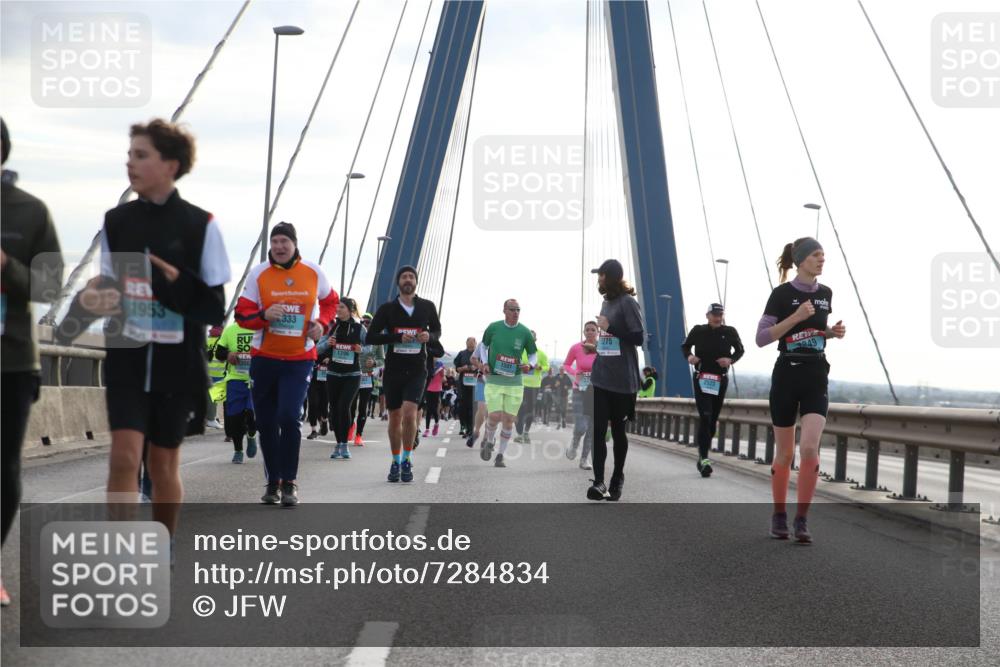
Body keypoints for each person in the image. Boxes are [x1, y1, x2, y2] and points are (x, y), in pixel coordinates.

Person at [58, 118, 230, 535]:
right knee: (123, 455)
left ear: (170, 164)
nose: (130, 164)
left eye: (140, 155)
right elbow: (108, 287)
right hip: (128, 358)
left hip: (177, 363)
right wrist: (90, 303)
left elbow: (213, 308)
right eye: (129, 155)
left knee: (161, 462)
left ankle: (163, 541)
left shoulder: (200, 224)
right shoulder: (118, 222)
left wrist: (172, 279)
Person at [1, 118, 64, 606]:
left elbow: (48, 287)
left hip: (11, 363)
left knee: (3, 471)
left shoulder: (29, 212)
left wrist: (7, 267)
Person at [235, 221, 337, 505]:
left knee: (289, 417)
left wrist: (323, 324)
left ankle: (289, 482)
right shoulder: (259, 274)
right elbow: (241, 315)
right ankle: (272, 482)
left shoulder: (313, 272)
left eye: (285, 242)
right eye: (275, 241)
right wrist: (264, 315)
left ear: (294, 245)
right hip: (264, 358)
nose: (279, 247)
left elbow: (331, 303)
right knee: (266, 422)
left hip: (299, 359)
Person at [757, 237, 845, 543]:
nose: (823, 260)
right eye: (817, 255)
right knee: (784, 453)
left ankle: (802, 519)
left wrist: (829, 333)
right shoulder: (781, 294)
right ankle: (779, 515)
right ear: (803, 260)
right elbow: (761, 337)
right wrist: (796, 317)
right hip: (787, 374)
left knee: (809, 448)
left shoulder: (825, 294)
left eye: (824, 256)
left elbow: (813, 332)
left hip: (816, 374)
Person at [365, 266, 441, 483]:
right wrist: (396, 338)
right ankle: (395, 460)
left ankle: (407, 459)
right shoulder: (387, 309)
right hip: (394, 370)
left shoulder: (427, 307)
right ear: (398, 282)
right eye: (404, 277)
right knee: (395, 417)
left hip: (417, 369)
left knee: (409, 414)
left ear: (416, 282)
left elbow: (437, 331)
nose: (408, 280)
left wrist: (429, 336)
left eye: (411, 277)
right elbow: (371, 337)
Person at [585, 259, 644, 502]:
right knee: (598, 430)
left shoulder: (628, 303)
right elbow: (611, 341)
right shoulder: (606, 302)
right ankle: (599, 482)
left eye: (601, 275)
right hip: (601, 377)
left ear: (611, 276)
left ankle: (617, 477)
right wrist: (598, 346)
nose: (598, 279)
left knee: (618, 431)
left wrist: (611, 327)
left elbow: (638, 338)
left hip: (623, 381)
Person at [681, 303, 744, 477]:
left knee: (713, 418)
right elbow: (685, 346)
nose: (718, 317)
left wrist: (730, 360)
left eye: (720, 314)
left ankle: (703, 454)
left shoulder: (730, 331)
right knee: (706, 415)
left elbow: (740, 350)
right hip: (702, 378)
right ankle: (704, 458)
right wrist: (690, 356)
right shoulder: (698, 330)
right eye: (714, 314)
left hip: (720, 380)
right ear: (707, 315)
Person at [477, 299, 538, 468]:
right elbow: (483, 346)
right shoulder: (494, 327)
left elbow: (533, 354)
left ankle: (500, 455)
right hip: (495, 379)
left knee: (509, 420)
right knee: (495, 416)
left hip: (515, 381)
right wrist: (485, 363)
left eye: (518, 309)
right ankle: (489, 440)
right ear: (504, 310)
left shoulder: (525, 332)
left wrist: (530, 365)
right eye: (512, 309)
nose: (516, 312)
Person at [318, 297, 364, 460]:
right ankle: (338, 443)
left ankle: (344, 444)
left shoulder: (359, 328)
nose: (338, 309)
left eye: (342, 307)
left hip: (352, 375)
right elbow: (317, 348)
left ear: (350, 310)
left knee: (344, 407)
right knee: (335, 409)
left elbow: (371, 348)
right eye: (337, 307)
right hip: (333, 374)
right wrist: (327, 344)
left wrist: (361, 349)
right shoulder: (332, 326)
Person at [213, 321, 258, 463]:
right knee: (235, 417)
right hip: (235, 379)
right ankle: (238, 451)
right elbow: (219, 353)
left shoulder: (260, 328)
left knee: (252, 413)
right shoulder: (230, 330)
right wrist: (228, 354)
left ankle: (251, 434)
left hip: (256, 379)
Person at [562, 321, 599, 469]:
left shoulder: (603, 349)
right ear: (584, 332)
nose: (590, 332)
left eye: (593, 330)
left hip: (597, 390)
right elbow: (566, 365)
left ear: (597, 332)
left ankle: (584, 459)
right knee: (581, 425)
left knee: (591, 427)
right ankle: (574, 444)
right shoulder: (576, 348)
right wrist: (575, 373)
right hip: (580, 388)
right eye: (587, 330)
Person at [352, 311, 383, 446]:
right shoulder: (355, 334)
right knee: (350, 407)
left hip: (366, 377)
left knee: (363, 407)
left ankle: (359, 435)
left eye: (368, 322)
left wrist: (375, 363)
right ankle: (350, 426)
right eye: (363, 322)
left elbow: (382, 359)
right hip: (352, 374)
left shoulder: (377, 339)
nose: (365, 324)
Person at [514, 330, 549, 443]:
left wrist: (540, 368)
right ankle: (519, 433)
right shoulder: (520, 352)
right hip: (520, 384)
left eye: (532, 338)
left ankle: (526, 433)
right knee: (520, 409)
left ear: (535, 340)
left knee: (530, 410)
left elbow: (547, 367)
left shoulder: (541, 353)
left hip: (534, 385)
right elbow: (513, 363)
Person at [453, 337, 478, 437]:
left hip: (475, 384)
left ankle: (471, 429)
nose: (471, 344)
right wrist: (463, 368)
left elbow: (484, 366)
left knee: (473, 406)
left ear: (476, 343)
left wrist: (475, 367)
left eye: (473, 342)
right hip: (463, 384)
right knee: (464, 406)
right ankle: (465, 427)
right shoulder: (462, 353)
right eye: (469, 342)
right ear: (466, 343)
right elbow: (457, 368)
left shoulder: (478, 354)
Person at [423, 358, 445, 437]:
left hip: (437, 389)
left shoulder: (440, 365)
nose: (434, 358)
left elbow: (443, 377)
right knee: (429, 409)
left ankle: (436, 424)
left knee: (434, 409)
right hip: (428, 388)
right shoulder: (427, 364)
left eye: (435, 357)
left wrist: (442, 369)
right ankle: (427, 429)